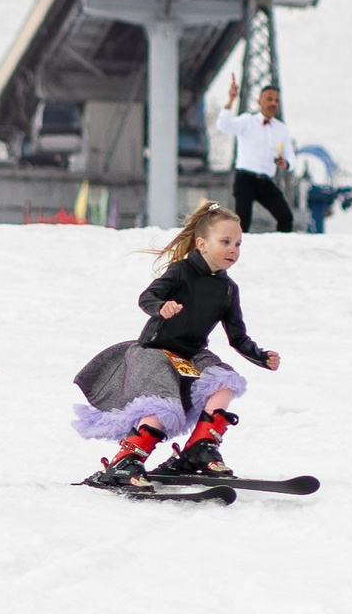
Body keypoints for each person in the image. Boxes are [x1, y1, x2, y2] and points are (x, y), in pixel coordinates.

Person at [72, 202, 281, 488]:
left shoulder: (228, 289)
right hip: (154, 351)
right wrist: (161, 307)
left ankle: (200, 448)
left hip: (192, 353)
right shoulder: (180, 271)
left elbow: (237, 337)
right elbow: (146, 297)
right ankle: (126, 460)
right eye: (225, 242)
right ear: (201, 244)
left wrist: (260, 356)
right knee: (160, 403)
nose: (234, 249)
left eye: (238, 244)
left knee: (224, 381)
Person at [210, 76, 297, 234]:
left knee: (286, 217)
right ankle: (238, 254)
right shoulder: (247, 121)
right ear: (259, 102)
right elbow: (223, 125)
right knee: (242, 222)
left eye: (276, 101)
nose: (273, 103)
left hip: (265, 181)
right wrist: (230, 101)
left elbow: (291, 156)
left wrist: (287, 163)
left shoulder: (281, 129)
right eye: (269, 99)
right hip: (245, 180)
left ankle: (282, 250)